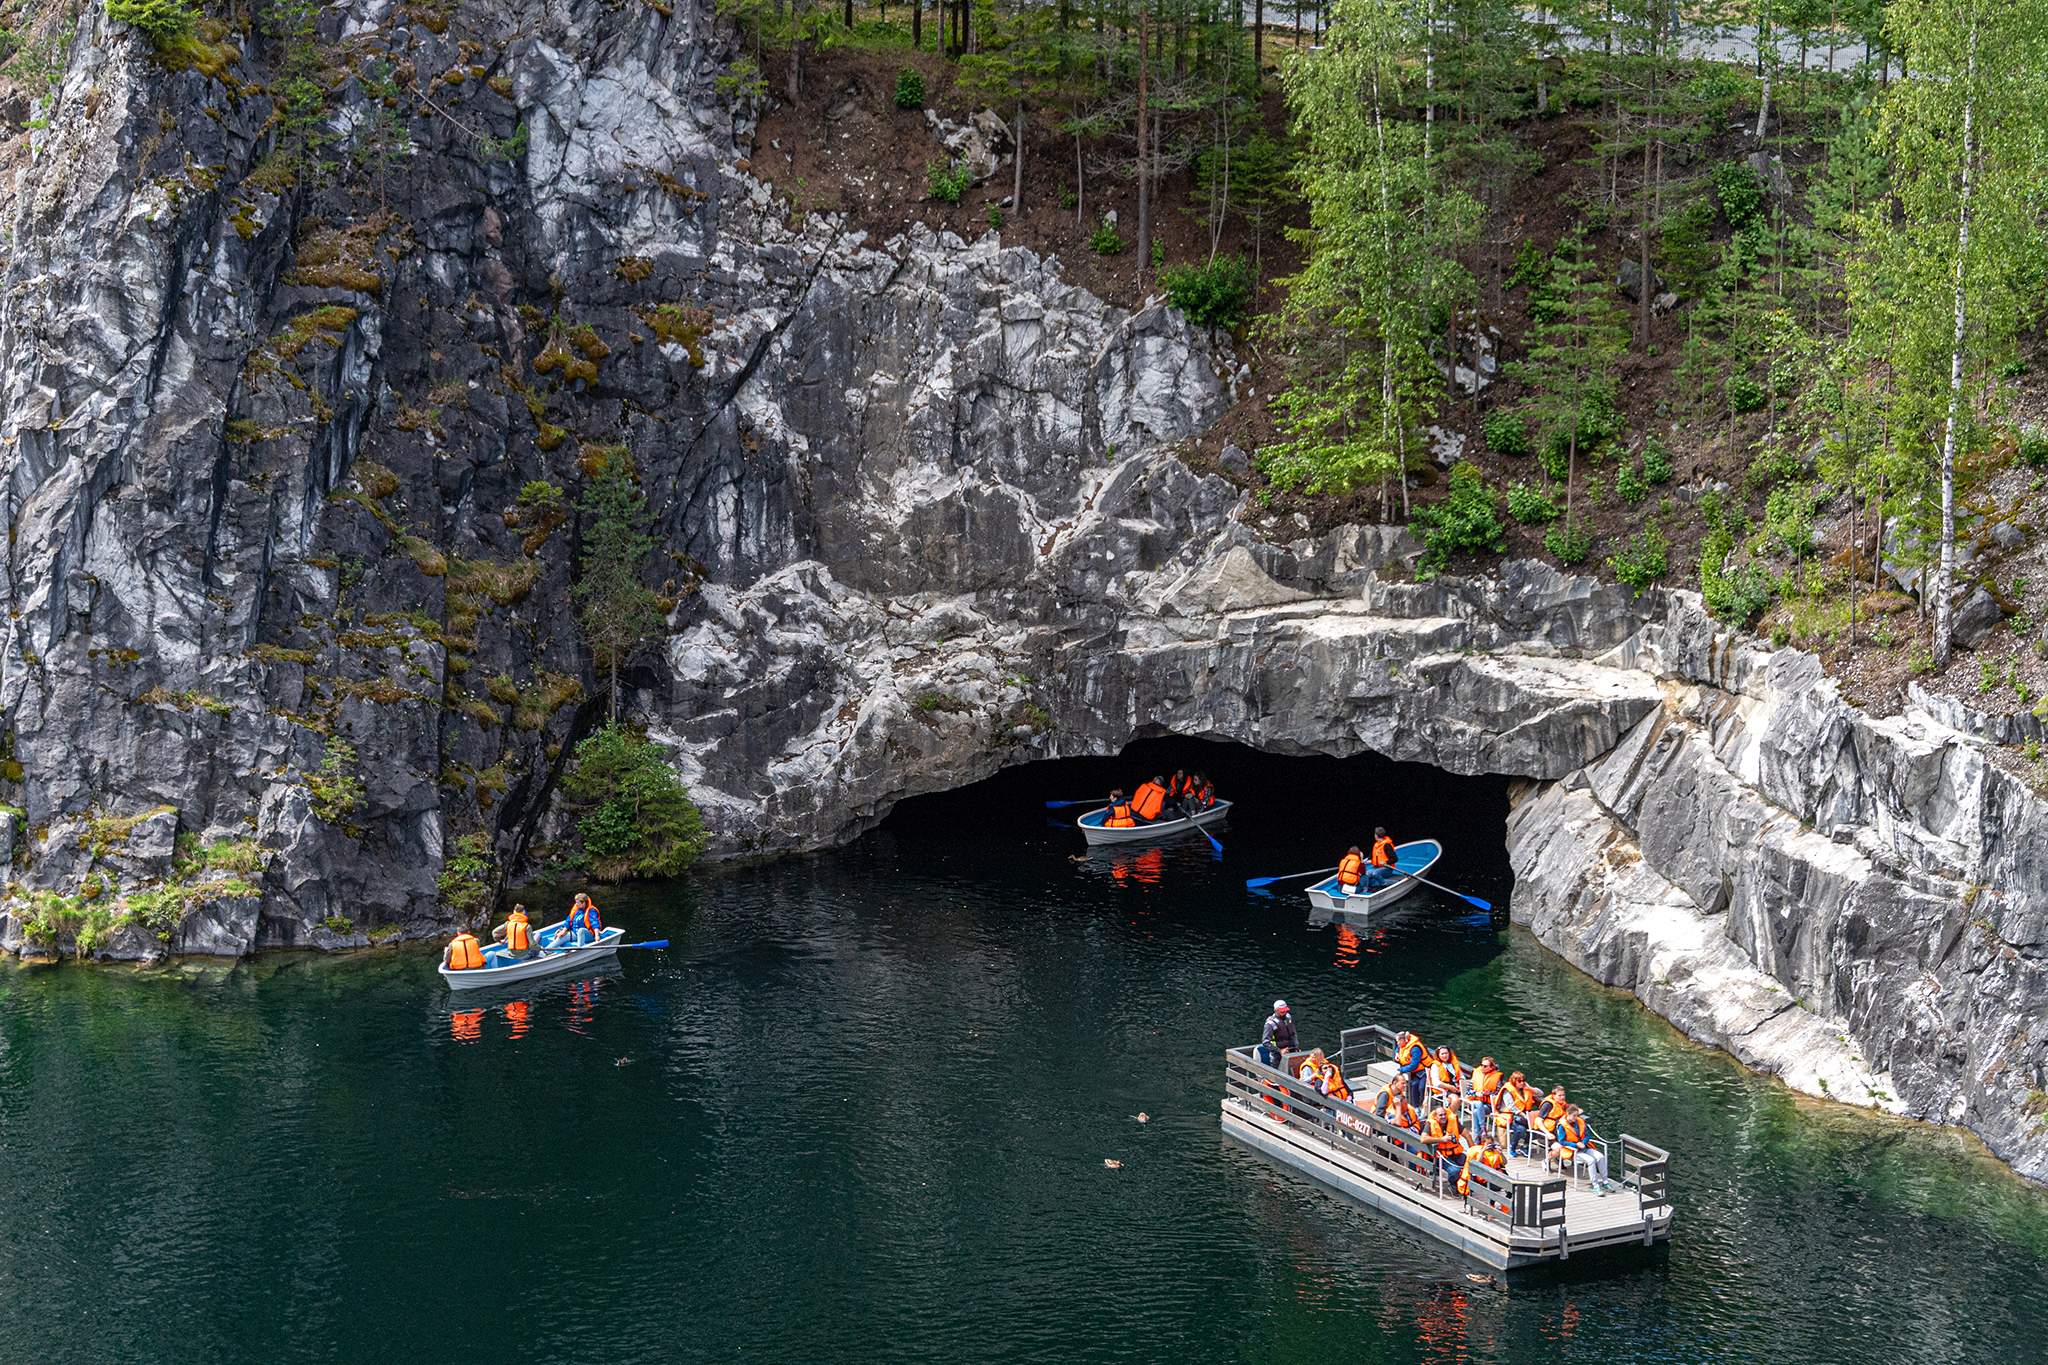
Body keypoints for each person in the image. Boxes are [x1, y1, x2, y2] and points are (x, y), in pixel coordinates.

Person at [1494, 1070, 1540, 1157]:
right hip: (1510, 1115)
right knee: (1522, 1128)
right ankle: (1512, 1147)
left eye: (1523, 1080)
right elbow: (1511, 1106)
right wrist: (1523, 1115)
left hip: (1524, 1116)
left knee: (1533, 1126)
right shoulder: (1508, 1090)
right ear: (1514, 1081)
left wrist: (1530, 1088)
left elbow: (1541, 1093)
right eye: (1519, 1081)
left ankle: (1525, 1146)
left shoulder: (1525, 1089)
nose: (1522, 1083)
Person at [1458, 1135, 1510, 1208]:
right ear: (1483, 1143)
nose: (1490, 1146)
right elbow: (1477, 1163)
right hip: (1483, 1177)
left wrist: (1501, 1153)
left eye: (1491, 1144)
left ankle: (1504, 1205)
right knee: (1493, 1187)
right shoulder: (1479, 1152)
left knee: (1510, 1187)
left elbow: (1504, 1163)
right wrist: (1483, 1151)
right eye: (1488, 1144)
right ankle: (1491, 1205)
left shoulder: (1496, 1152)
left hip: (1495, 1175)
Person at [1423, 1103, 1466, 1188]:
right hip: (1441, 1156)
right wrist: (1441, 1139)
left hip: (1455, 1152)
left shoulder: (1452, 1121)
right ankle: (1453, 1185)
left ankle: (1465, 1187)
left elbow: (1467, 1134)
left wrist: (1473, 1150)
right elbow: (1423, 1139)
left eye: (1444, 1114)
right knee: (1455, 1170)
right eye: (1440, 1115)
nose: (1443, 1117)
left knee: (1470, 1164)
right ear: (1435, 1117)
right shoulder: (1430, 1124)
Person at [1468, 1056, 1504, 1135]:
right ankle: (1483, 1128)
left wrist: (1489, 1093)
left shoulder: (1497, 1077)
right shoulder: (1476, 1074)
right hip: (1474, 1102)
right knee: (1478, 1104)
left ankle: (1477, 1136)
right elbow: (1468, 1092)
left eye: (1485, 1066)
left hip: (1488, 1105)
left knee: (1475, 1112)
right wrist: (1476, 1093)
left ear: (1491, 1067)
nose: (1482, 1067)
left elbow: (1498, 1093)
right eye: (1481, 1065)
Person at [1395, 1030, 1430, 1109]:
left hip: (1424, 1071)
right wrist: (1397, 1053)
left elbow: (1414, 1065)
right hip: (1415, 1073)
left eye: (1398, 1041)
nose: (1397, 1043)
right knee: (1413, 1085)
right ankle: (1415, 1107)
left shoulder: (1415, 1049)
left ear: (1404, 1040)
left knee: (1421, 1088)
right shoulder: (1403, 1046)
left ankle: (1423, 1105)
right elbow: (1397, 1048)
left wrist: (1402, 1070)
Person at [1258, 999, 1296, 1068]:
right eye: (1282, 1011)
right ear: (1276, 1010)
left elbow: (1293, 1034)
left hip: (1291, 1050)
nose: (1284, 1012)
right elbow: (1265, 1042)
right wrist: (1279, 1051)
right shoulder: (1270, 1024)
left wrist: (1296, 1047)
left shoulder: (1288, 1017)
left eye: (1285, 1010)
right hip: (1277, 1055)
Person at [1426, 1044, 1464, 1112]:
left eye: (1446, 1053)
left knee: (1473, 1098)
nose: (1444, 1055)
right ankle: (1450, 1118)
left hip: (1457, 1088)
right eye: (1442, 1054)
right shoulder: (1435, 1066)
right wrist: (1450, 1087)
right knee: (1455, 1100)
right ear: (1438, 1055)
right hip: (1443, 1090)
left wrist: (1460, 1085)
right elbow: (1436, 1083)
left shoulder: (1453, 1064)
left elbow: (1462, 1076)